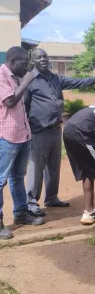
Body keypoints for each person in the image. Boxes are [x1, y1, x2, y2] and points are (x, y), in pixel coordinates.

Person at [24, 49, 95, 217]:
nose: (43, 59)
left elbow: (77, 82)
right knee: (36, 168)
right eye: (39, 57)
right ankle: (31, 203)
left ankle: (51, 198)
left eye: (45, 56)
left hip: (56, 129)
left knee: (53, 166)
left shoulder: (56, 78)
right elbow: (25, 106)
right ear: (33, 61)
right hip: (38, 131)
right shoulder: (29, 80)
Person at [0, 47, 44, 240]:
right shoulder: (1, 75)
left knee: (18, 177)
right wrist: (26, 82)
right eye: (24, 64)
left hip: (22, 135)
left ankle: (21, 213)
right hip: (6, 137)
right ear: (12, 60)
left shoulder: (16, 76)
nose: (26, 68)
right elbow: (9, 102)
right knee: (0, 180)